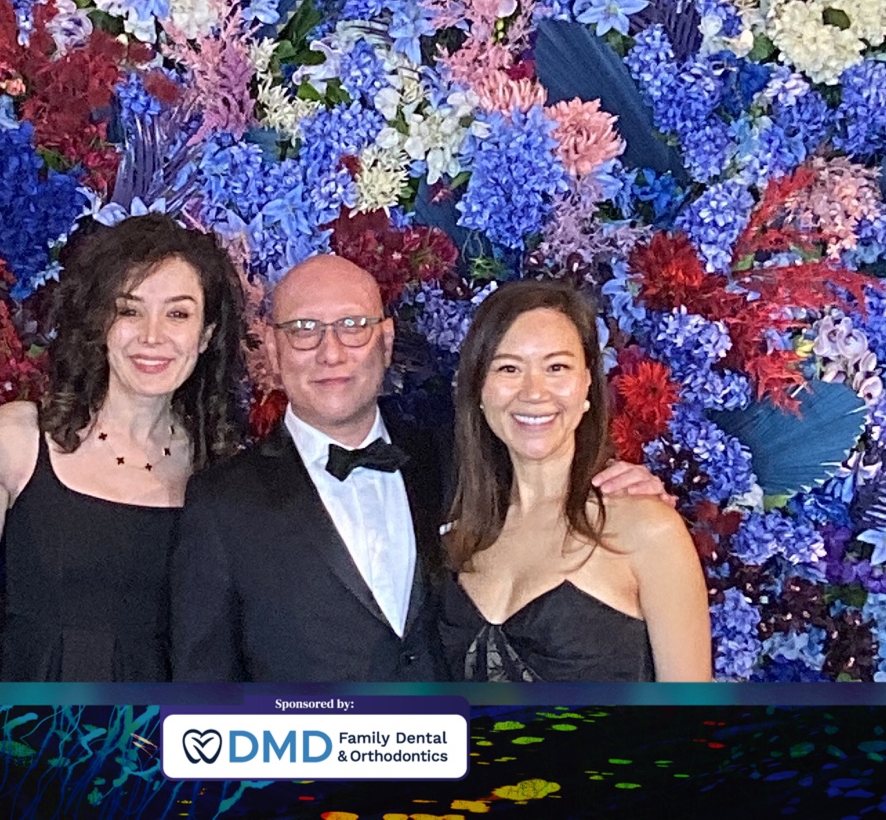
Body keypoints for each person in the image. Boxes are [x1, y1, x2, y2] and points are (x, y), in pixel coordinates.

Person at [170, 254, 667, 683]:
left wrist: (625, 489)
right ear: (272, 349)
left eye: (353, 326)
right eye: (304, 330)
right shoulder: (221, 504)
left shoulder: (462, 464)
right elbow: (203, 699)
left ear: (386, 341)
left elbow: (552, 489)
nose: (331, 352)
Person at [0, 214, 245, 681]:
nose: (152, 336)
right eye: (129, 310)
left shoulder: (220, 467)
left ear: (206, 335)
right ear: (99, 322)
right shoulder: (20, 437)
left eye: (178, 314)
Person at [439, 279, 711, 682]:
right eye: (508, 368)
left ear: (587, 383)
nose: (534, 392)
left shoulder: (646, 529)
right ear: (479, 387)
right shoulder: (460, 534)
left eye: (557, 368)